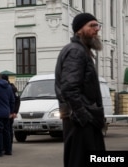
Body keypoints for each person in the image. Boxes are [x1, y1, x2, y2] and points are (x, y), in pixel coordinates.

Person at [54, 13, 106, 167]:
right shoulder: (76, 51)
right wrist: (84, 117)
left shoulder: (81, 50)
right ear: (78, 30)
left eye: (97, 26)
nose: (96, 30)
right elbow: (69, 88)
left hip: (82, 120)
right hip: (80, 123)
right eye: (91, 26)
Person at [1, 74, 20, 143]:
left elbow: (17, 100)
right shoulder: (2, 87)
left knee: (8, 128)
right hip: (4, 111)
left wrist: (15, 112)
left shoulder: (12, 88)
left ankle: (9, 143)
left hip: (10, 111)